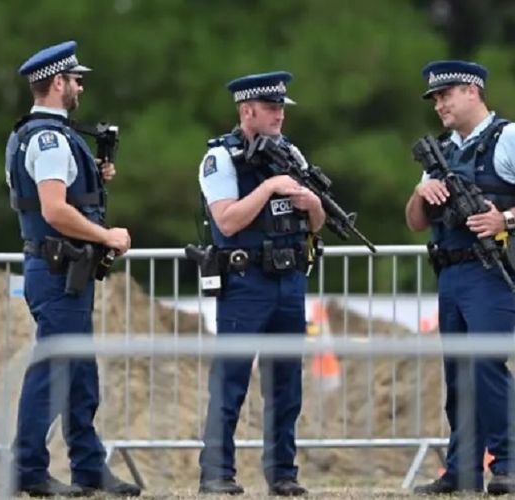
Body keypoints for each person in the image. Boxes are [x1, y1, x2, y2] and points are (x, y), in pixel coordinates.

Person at [405, 60, 515, 495]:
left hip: (493, 271)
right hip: (453, 271)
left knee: (486, 364)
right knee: (458, 371)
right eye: (436, 98)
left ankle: (508, 465)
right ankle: (462, 469)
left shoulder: (510, 138)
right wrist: (420, 191)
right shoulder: (443, 150)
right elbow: (416, 222)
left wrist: (506, 218)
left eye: (446, 95)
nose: (439, 105)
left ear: (472, 91)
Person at [5, 40, 140, 497]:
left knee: (80, 373)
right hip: (57, 268)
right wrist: (108, 236)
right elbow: (54, 211)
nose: (80, 86)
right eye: (76, 79)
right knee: (53, 370)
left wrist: (93, 181)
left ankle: (88, 467)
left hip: (65, 270)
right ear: (58, 82)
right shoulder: (48, 139)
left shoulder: (44, 135)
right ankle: (28, 468)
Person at [196, 71, 325, 496]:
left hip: (289, 280)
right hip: (245, 281)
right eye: (272, 109)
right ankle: (217, 473)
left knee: (287, 383)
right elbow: (227, 220)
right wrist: (270, 186)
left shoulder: (291, 153)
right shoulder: (221, 158)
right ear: (247, 110)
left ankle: (283, 473)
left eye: (282, 108)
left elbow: (315, 225)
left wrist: (313, 204)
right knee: (231, 379)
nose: (280, 116)